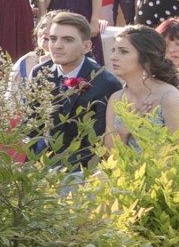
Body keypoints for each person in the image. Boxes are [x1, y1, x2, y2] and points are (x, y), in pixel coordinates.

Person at [31, 12, 120, 162]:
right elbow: (32, 125)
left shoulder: (104, 84)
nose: (57, 46)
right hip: (38, 163)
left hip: (79, 169)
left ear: (86, 47)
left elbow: (94, 143)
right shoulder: (40, 72)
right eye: (53, 39)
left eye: (68, 40)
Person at [105, 25, 179, 146]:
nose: (113, 57)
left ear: (146, 58)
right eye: (114, 50)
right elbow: (108, 155)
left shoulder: (170, 98)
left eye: (123, 51)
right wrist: (124, 131)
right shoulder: (116, 98)